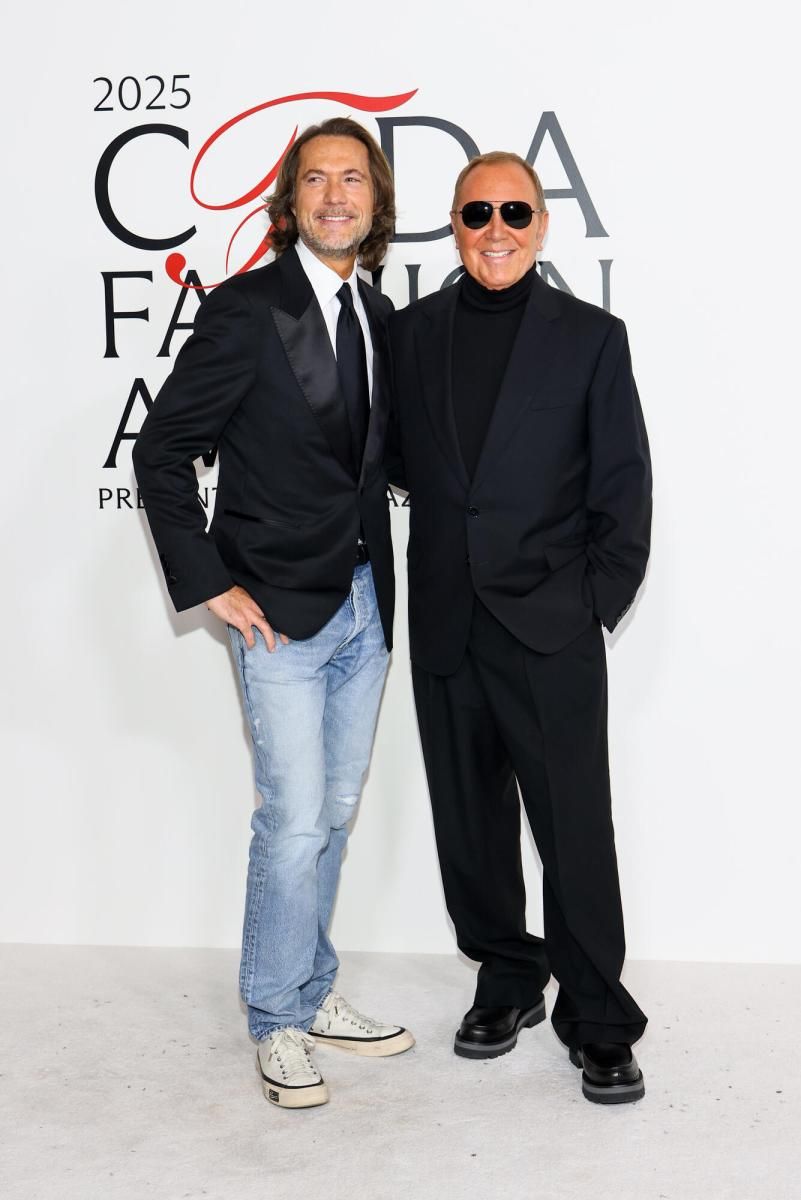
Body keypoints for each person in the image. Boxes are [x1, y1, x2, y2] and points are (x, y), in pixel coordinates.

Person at [133, 116, 414, 1112]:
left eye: (354, 179)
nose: (336, 195)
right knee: (291, 822)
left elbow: (376, 462)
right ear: (290, 202)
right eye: (317, 179)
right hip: (279, 616)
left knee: (331, 813)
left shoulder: (379, 313)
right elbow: (161, 451)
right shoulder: (247, 309)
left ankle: (310, 987)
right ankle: (274, 1018)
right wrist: (210, 580)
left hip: (366, 604)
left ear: (376, 203)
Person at [386, 151, 651, 1104]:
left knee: (572, 828)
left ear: (540, 225)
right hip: (447, 619)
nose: (494, 229)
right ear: (453, 227)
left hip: (550, 625)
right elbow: (395, 462)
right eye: (475, 214)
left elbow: (623, 483)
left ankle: (598, 1018)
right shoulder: (409, 334)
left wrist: (591, 606)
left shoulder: (591, 338)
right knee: (470, 824)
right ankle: (506, 976)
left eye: (512, 212)